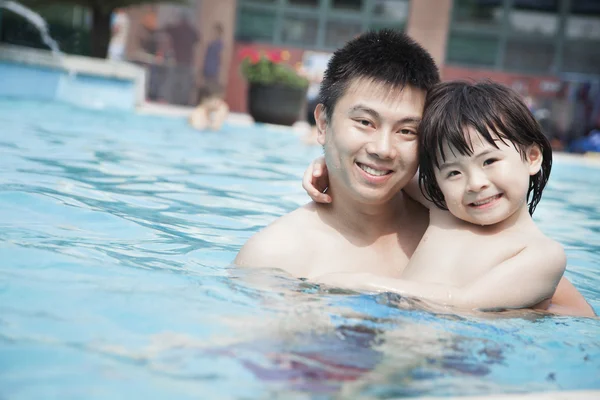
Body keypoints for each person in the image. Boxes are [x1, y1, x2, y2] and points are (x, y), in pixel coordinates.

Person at [233, 29, 594, 317]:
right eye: (363, 122)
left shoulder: (457, 210)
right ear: (323, 123)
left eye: (407, 131)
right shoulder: (276, 255)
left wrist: (514, 313)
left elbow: (577, 316)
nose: (383, 149)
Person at [307, 80, 571, 312]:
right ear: (438, 181)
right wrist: (331, 163)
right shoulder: (444, 206)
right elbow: (388, 172)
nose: (475, 184)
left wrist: (363, 284)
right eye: (454, 173)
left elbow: (466, 303)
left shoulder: (541, 254)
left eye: (489, 161)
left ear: (532, 157)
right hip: (388, 331)